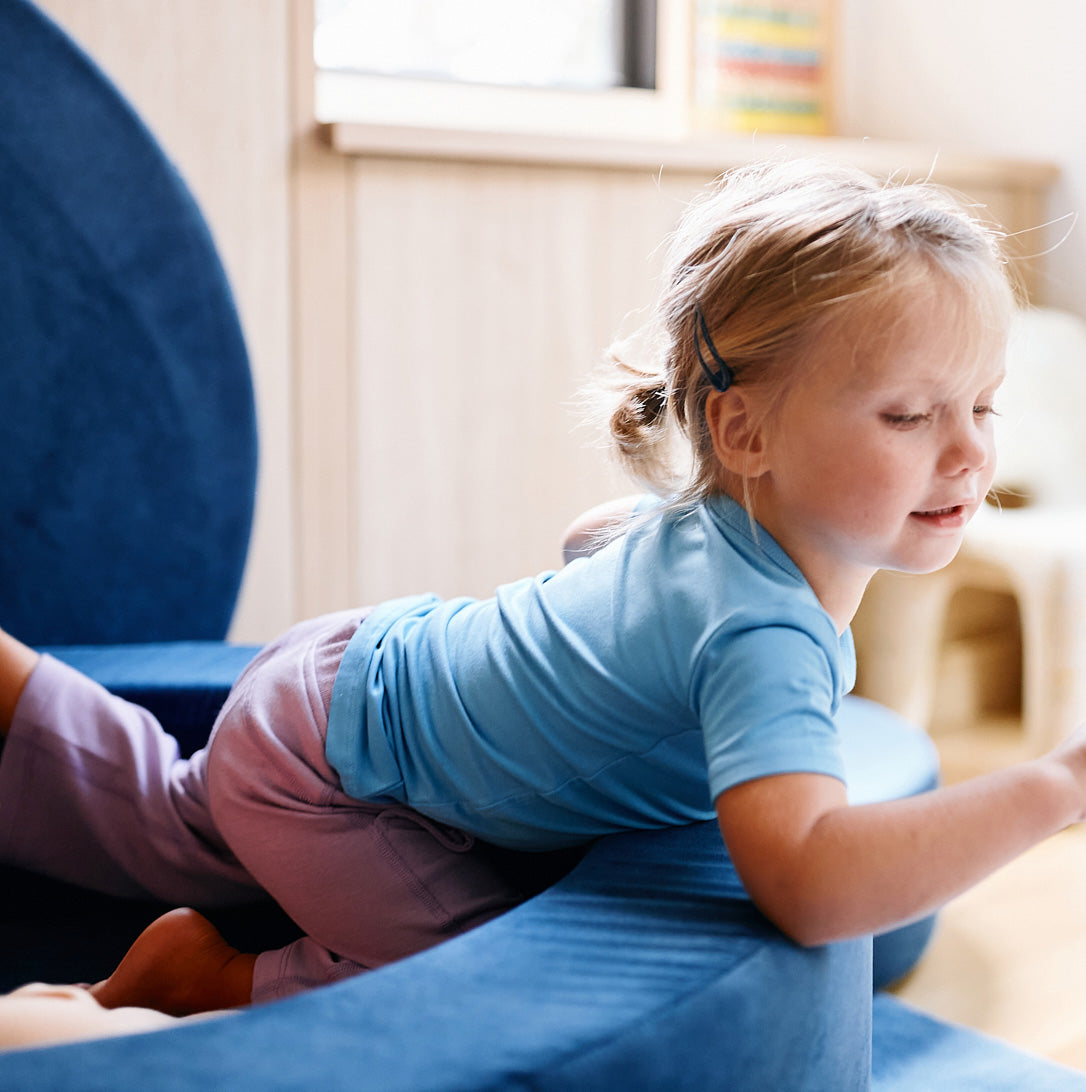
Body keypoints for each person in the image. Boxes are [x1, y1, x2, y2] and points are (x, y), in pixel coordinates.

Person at [3, 157, 1086, 1035]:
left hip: (341, 670)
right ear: (742, 432)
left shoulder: (713, 527)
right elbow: (806, 879)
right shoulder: (762, 628)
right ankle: (198, 980)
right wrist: (1056, 787)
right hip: (337, 773)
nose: (967, 455)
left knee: (175, 817)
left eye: (983, 406)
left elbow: (591, 539)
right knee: (478, 982)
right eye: (909, 416)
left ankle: (21, 694)